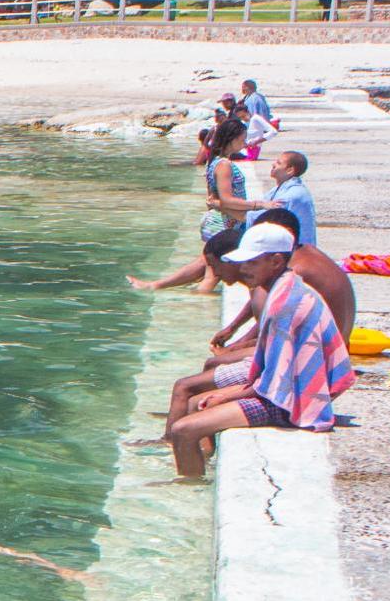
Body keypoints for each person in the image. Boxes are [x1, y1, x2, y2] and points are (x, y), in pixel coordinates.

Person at [165, 224, 354, 481]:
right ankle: (202, 467)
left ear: (276, 261)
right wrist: (225, 395)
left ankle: (189, 487)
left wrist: (225, 397)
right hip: (291, 390)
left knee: (183, 430)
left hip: (293, 404)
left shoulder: (283, 305)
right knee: (193, 403)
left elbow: (272, 384)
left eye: (251, 263)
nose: (243, 269)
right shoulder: (288, 285)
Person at [129, 117, 249, 293]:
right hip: (225, 222)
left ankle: (155, 285)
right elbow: (226, 199)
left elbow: (212, 197)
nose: (245, 142)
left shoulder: (214, 161)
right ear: (232, 138)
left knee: (205, 263)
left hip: (217, 221)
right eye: (243, 138)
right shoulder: (224, 165)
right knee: (212, 276)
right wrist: (258, 205)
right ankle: (194, 304)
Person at [239, 79, 276, 158]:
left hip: (255, 130)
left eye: (243, 87)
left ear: (247, 87)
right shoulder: (258, 97)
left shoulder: (253, 99)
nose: (242, 89)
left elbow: (253, 115)